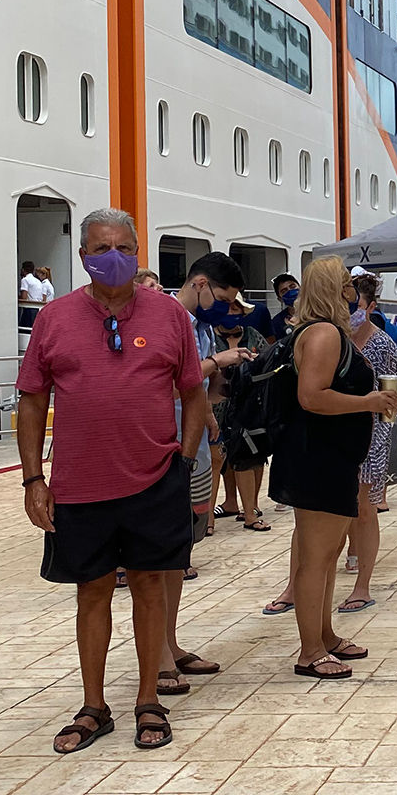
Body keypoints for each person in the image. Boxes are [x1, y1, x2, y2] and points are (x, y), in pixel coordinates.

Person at [18, 207, 208, 753]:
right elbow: (32, 400)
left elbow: (193, 390)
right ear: (82, 257)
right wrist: (34, 479)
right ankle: (94, 706)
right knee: (92, 592)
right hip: (79, 484)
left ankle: (149, 698)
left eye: (124, 247)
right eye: (101, 248)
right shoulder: (54, 318)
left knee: (150, 588)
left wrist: (185, 457)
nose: (114, 257)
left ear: (138, 251)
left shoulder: (169, 315)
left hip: (154, 480)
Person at [264, 258, 397, 679]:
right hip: (317, 460)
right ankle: (309, 651)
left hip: (330, 459)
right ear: (335, 290)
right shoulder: (323, 334)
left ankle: (325, 635)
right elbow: (312, 396)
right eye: (347, 284)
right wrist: (369, 402)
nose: (353, 292)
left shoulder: (322, 332)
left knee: (326, 553)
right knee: (316, 559)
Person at [155, 252, 255, 695]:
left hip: (190, 445)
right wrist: (221, 362)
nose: (225, 308)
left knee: (179, 552)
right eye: (222, 297)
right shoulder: (166, 319)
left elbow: (197, 390)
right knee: (158, 556)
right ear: (200, 284)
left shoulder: (200, 326)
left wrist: (212, 426)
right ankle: (156, 654)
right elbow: (179, 377)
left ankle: (170, 643)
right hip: (163, 444)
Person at [346, 270, 397, 606]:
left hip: (371, 435)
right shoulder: (332, 338)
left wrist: (377, 427)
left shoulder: (383, 344)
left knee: (364, 506)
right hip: (335, 433)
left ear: (370, 306)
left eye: (356, 305)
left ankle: (362, 584)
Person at [213, 295, 269, 527]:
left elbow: (267, 361)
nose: (232, 312)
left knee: (252, 456)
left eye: (237, 308)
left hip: (248, 406)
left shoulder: (253, 335)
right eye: (228, 307)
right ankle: (222, 509)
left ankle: (251, 507)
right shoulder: (209, 335)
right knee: (219, 459)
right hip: (217, 407)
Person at [19, 258, 54, 330]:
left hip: (28, 309)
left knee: (25, 330)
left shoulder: (25, 280)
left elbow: (24, 297)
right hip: (37, 309)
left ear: (23, 269)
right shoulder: (38, 281)